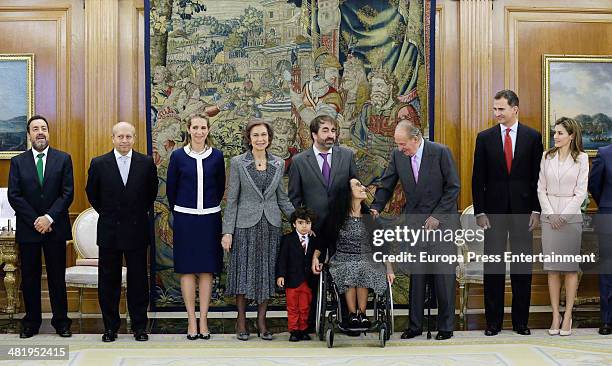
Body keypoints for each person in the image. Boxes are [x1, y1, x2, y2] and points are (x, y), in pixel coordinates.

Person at [371, 120, 460, 340]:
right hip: (415, 224)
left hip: (442, 224)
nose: (400, 149)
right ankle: (415, 326)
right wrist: (375, 207)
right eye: (398, 144)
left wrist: (437, 217)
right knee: (417, 276)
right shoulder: (398, 156)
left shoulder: (440, 152)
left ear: (416, 138)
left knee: (443, 276)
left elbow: (453, 187)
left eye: (403, 144)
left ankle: (446, 326)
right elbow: (387, 184)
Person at [472, 90, 543, 336]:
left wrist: (536, 209)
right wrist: (479, 211)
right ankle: (493, 323)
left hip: (524, 212)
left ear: (515, 109)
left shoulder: (534, 137)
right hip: (493, 213)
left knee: (522, 268)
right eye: (494, 109)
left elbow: (538, 178)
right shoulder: (484, 138)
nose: (496, 113)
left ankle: (521, 323)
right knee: (493, 268)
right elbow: (477, 178)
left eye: (501, 109)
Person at [222, 118, 295, 341]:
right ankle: (242, 320)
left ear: (269, 138)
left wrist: (300, 221)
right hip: (244, 226)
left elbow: (282, 199)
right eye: (256, 135)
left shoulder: (279, 164)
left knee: (266, 273)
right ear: (249, 139)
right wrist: (227, 231)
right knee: (243, 273)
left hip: (270, 226)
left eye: (264, 135)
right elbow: (232, 199)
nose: (260, 139)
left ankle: (262, 321)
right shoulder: (237, 163)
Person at [86, 122, 158, 342]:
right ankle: (110, 327)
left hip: (137, 230)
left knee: (138, 281)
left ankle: (139, 327)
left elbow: (151, 194)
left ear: (134, 138)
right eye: (120, 137)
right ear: (113, 138)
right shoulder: (99, 163)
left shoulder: (146, 163)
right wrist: (110, 214)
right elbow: (92, 194)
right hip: (109, 231)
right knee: (109, 281)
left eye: (128, 136)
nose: (124, 141)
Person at [288, 114, 357, 332]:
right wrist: (304, 226)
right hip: (314, 231)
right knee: (311, 276)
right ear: (314, 134)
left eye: (333, 131)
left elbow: (354, 189)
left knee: (345, 272)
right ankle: (309, 324)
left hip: (341, 227)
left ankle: (347, 319)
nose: (330, 135)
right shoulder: (300, 161)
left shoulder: (347, 156)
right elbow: (294, 197)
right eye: (325, 131)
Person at [8, 115, 73, 339]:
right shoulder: (18, 162)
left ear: (48, 132)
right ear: (29, 135)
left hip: (55, 228)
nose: (40, 132)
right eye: (35, 129)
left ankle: (62, 322)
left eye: (43, 128)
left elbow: (67, 193)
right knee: (30, 277)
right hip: (28, 229)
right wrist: (36, 220)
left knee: (57, 277)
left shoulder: (63, 159)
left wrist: (48, 218)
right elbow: (14, 196)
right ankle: (31, 322)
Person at [166, 114, 225, 340]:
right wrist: (183, 209)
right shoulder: (178, 156)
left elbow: (220, 188)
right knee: (187, 269)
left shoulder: (217, 156)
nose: (199, 132)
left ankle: (204, 320)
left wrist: (206, 206)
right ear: (188, 130)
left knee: (207, 269)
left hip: (210, 218)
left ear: (208, 130)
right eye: (195, 128)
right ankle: (191, 321)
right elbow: (172, 189)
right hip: (185, 218)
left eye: (203, 128)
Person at [312, 178, 394, 328]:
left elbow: (382, 246)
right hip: (343, 257)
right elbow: (323, 240)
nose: (363, 187)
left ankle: (361, 314)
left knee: (364, 266)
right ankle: (352, 314)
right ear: (348, 193)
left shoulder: (370, 217)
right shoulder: (336, 217)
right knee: (350, 266)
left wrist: (389, 268)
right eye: (358, 185)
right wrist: (315, 258)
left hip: (367, 258)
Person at [537, 117, 588, 336]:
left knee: (569, 268)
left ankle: (568, 315)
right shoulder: (546, 156)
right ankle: (555, 315)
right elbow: (541, 188)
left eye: (559, 133)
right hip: (549, 218)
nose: (555, 136)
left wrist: (563, 216)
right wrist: (551, 214)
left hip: (571, 218)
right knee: (553, 269)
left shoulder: (582, 159)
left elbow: (581, 192)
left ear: (571, 135)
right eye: (554, 132)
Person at [276, 207, 320, 342]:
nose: (304, 226)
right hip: (292, 280)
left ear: (311, 224)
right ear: (294, 224)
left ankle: (303, 329)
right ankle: (294, 330)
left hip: (308, 280)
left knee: (305, 307)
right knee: (293, 307)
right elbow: (282, 259)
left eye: (307, 223)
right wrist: (280, 275)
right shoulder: (288, 239)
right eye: (300, 223)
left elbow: (318, 256)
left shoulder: (314, 240)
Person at [588, 139, 612, 335]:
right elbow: (594, 185)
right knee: (607, 273)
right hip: (608, 219)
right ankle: (606, 320)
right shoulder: (604, 153)